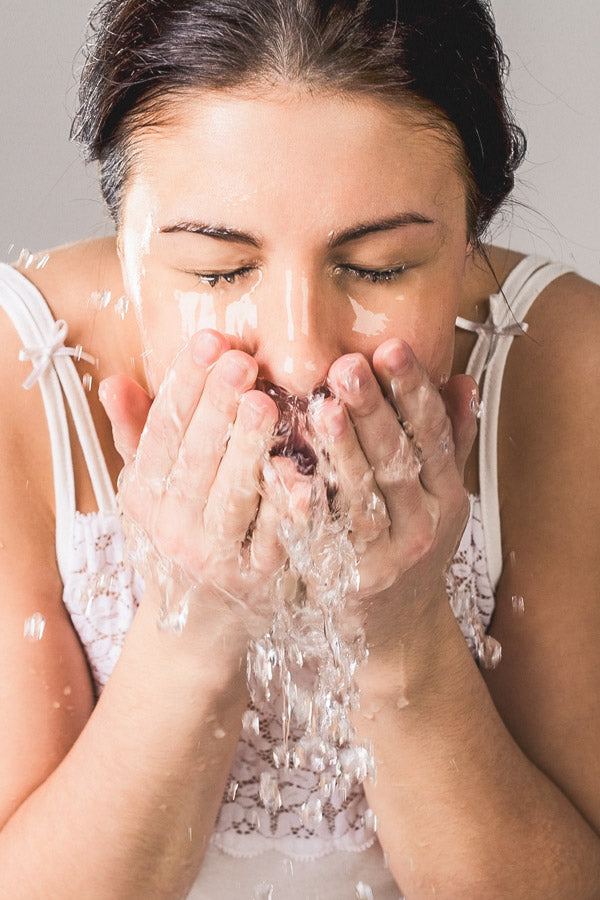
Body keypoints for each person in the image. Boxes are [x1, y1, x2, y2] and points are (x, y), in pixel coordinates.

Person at [0, 0, 599, 896]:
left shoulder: (569, 367)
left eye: (379, 267)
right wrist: (190, 632)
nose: (303, 355)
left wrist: (401, 644)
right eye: (218, 270)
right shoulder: (18, 380)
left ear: (473, 234)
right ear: (126, 242)